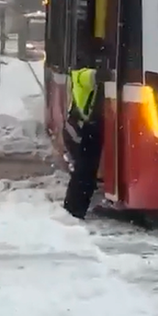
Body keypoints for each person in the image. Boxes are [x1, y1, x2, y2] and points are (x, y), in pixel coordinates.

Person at [62, 46, 106, 220]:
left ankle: (74, 208)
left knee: (84, 172)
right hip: (87, 129)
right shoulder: (83, 75)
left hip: (85, 128)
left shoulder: (78, 74)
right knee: (85, 173)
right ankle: (74, 210)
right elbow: (96, 76)